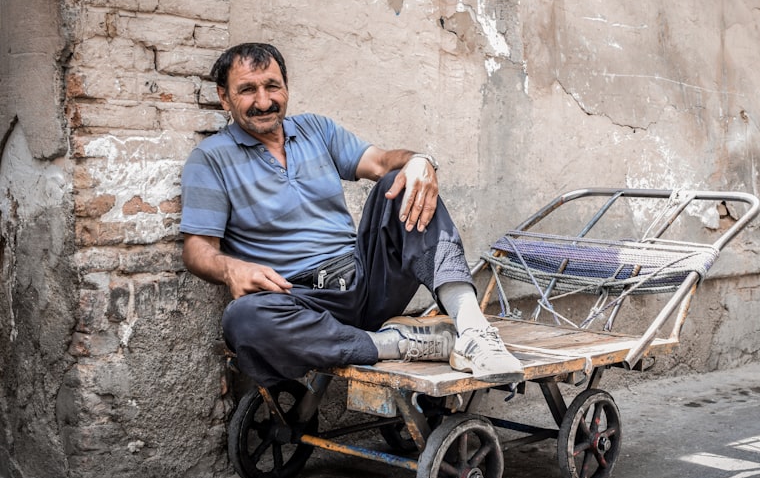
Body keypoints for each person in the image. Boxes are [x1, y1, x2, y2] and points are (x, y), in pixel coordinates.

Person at [180, 42, 524, 388]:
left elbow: (381, 162)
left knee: (403, 183)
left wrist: (420, 160)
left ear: (285, 87)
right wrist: (231, 268)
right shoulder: (210, 159)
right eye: (247, 90)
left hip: (365, 281)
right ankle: (401, 344)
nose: (264, 101)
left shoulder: (316, 130)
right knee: (243, 319)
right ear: (224, 98)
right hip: (299, 300)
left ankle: (473, 332)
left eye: (272, 86)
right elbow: (197, 249)